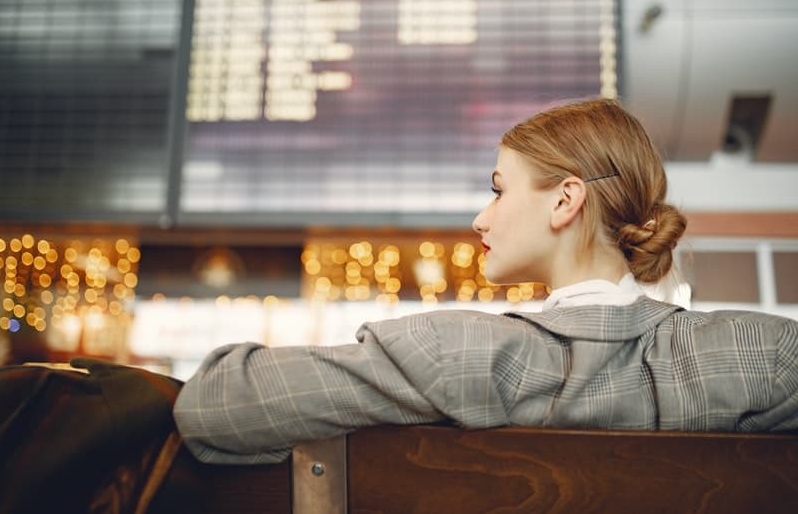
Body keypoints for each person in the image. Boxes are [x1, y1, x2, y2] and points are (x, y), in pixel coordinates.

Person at [173, 98, 798, 465]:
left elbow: (212, 405)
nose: (480, 217)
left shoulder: (455, 355)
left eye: (498, 190)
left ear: (565, 202)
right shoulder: (766, 358)